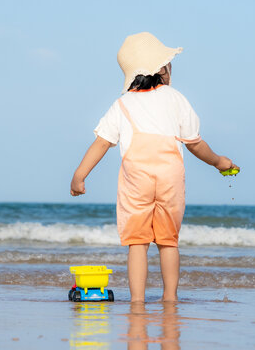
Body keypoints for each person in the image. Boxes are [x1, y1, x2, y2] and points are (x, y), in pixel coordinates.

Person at [70, 32, 238, 302]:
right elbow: (195, 144)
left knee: (137, 242)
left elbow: (102, 143)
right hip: (170, 176)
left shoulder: (122, 104)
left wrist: (79, 175)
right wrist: (219, 162)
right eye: (169, 63)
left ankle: (137, 300)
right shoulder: (175, 98)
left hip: (137, 178)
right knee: (168, 242)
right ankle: (170, 297)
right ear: (161, 68)